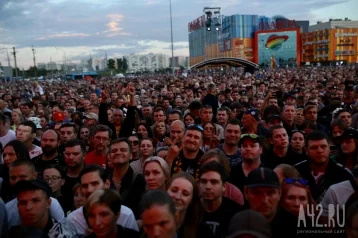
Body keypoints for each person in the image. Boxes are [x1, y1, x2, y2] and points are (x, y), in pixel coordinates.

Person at [66, 165, 138, 236]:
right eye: (85, 186)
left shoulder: (126, 214)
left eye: (94, 184)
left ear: (107, 184)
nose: (89, 190)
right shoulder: (73, 220)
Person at [294, 131, 354, 203]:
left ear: (329, 148)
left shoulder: (344, 174)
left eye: (323, 146)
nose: (320, 151)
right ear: (306, 150)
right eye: (314, 147)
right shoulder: (296, 171)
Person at [5, 159, 65, 228]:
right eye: (13, 178)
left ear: (35, 176)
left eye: (22, 177)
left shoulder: (52, 204)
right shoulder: (7, 208)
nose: (17, 181)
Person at [8, 179, 77, 237]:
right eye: (23, 202)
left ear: (48, 203)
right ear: (17, 206)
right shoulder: (12, 232)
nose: (28, 207)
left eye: (35, 201)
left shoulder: (64, 235)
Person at [199, 161, 242, 238]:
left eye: (214, 182)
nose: (208, 186)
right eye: (203, 181)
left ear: (224, 187)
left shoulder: (236, 214)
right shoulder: (190, 210)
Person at [106, 138, 146, 218]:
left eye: (123, 150)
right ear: (109, 156)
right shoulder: (104, 179)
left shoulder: (140, 180)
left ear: (131, 155)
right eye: (114, 151)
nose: (118, 153)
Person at [167, 172, 213, 238]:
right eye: (174, 190)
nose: (178, 197)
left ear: (192, 200)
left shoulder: (202, 231)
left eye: (185, 194)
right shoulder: (150, 222)